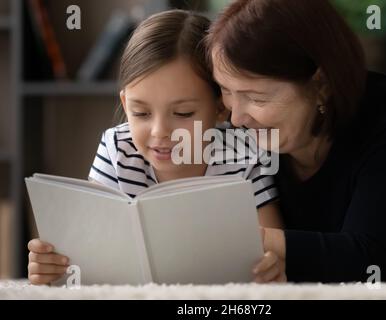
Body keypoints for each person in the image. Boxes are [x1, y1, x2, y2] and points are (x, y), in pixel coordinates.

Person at [27, 9, 283, 285]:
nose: (160, 132)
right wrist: (53, 265)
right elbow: (87, 248)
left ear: (221, 106)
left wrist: (272, 266)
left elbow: (273, 246)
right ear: (125, 105)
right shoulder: (117, 149)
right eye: (141, 113)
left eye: (183, 113)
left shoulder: (243, 156)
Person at [208, 0, 386, 283]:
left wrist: (248, 241)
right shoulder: (242, 136)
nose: (236, 118)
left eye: (256, 98)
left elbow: (371, 262)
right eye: (226, 91)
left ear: (321, 83)